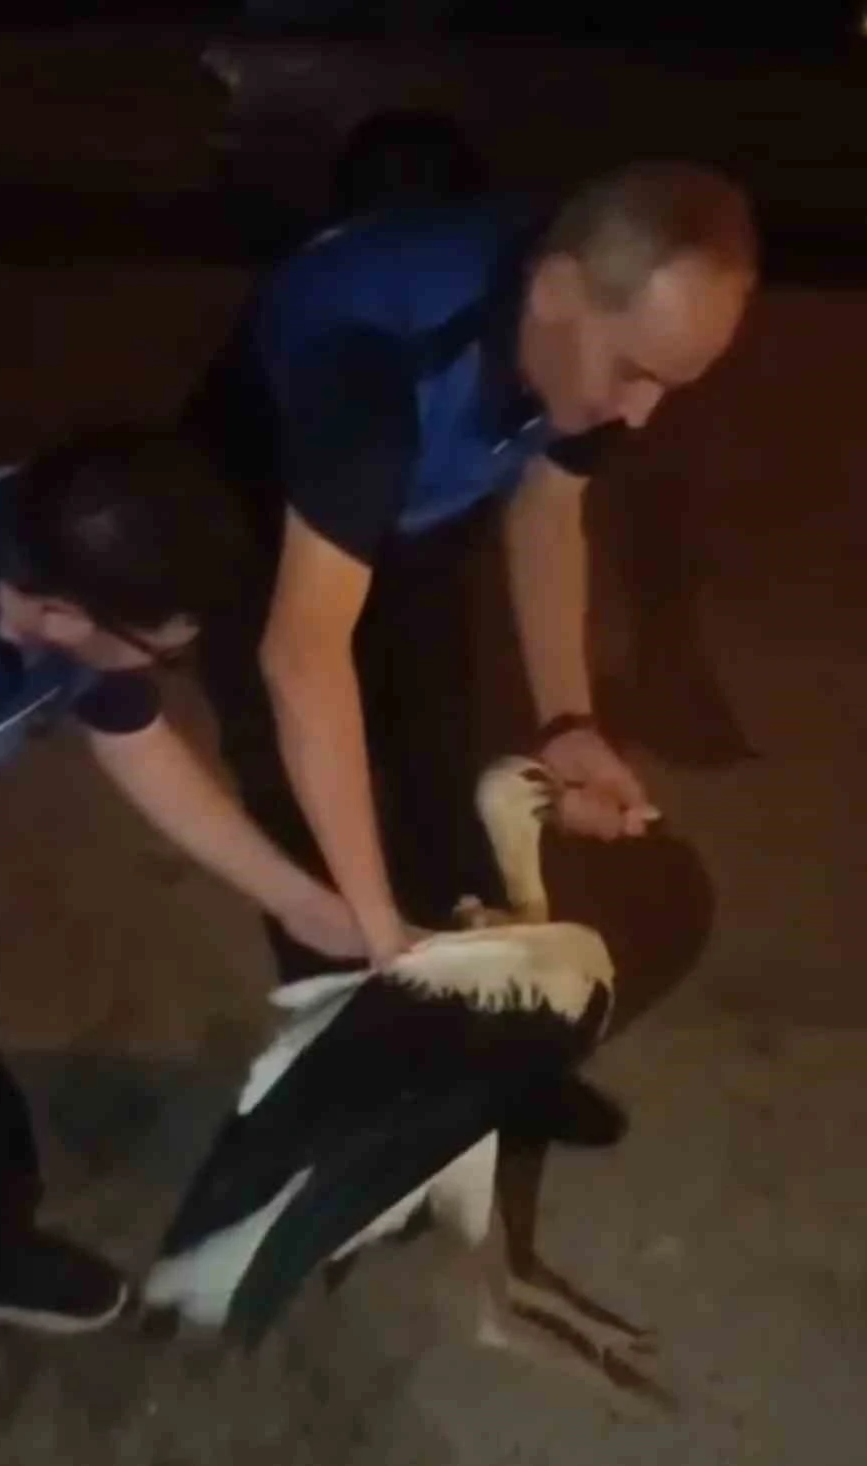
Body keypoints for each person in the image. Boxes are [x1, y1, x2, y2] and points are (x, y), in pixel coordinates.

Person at [0, 430, 364, 1466]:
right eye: (161, 647)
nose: (171, 665)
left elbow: (131, 732)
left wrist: (302, 901)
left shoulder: (59, 560)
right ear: (59, 613)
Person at [190, 157, 758, 976]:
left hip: (424, 495)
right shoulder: (368, 369)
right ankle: (349, 1002)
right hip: (262, 508)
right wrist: (380, 933)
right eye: (634, 373)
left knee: (438, 753)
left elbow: (547, 507)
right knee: (301, 795)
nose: (640, 414)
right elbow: (300, 657)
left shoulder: (584, 325)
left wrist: (567, 724)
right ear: (554, 290)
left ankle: (463, 971)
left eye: (670, 385)